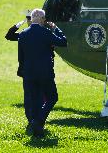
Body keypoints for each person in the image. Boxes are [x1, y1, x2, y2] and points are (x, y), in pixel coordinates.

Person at [18, 9, 67, 137]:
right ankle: (38, 121)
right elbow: (63, 42)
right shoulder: (45, 32)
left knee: (33, 99)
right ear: (41, 19)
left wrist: (23, 70)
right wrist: (56, 28)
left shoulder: (23, 34)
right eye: (44, 19)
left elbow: (21, 57)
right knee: (52, 97)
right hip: (45, 73)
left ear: (33, 18)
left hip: (28, 73)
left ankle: (36, 126)